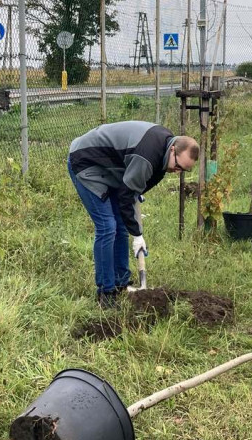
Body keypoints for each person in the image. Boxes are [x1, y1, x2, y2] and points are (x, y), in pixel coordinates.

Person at [68, 121, 199, 306]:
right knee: (108, 227)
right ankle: (106, 293)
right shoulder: (148, 154)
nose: (177, 172)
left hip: (111, 168)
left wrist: (135, 193)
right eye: (178, 166)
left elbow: (134, 189)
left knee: (121, 226)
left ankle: (121, 283)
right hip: (86, 161)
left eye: (183, 170)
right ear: (173, 150)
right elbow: (125, 195)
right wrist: (137, 235)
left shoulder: (164, 152)